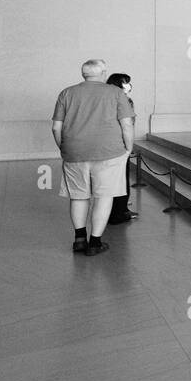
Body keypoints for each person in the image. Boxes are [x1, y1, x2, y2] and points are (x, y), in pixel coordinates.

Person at [51, 59, 135, 256]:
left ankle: (79, 239)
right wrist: (128, 149)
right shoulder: (115, 93)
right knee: (103, 197)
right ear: (103, 73)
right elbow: (127, 125)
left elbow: (56, 127)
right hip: (109, 152)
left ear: (84, 74)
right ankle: (95, 242)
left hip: (74, 152)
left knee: (79, 197)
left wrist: (64, 147)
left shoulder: (67, 93)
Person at [105, 73, 138, 225]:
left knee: (110, 182)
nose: (128, 86)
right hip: (120, 145)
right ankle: (120, 212)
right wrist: (129, 148)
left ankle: (115, 209)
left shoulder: (105, 99)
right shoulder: (124, 100)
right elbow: (127, 125)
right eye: (126, 83)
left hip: (106, 144)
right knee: (121, 180)